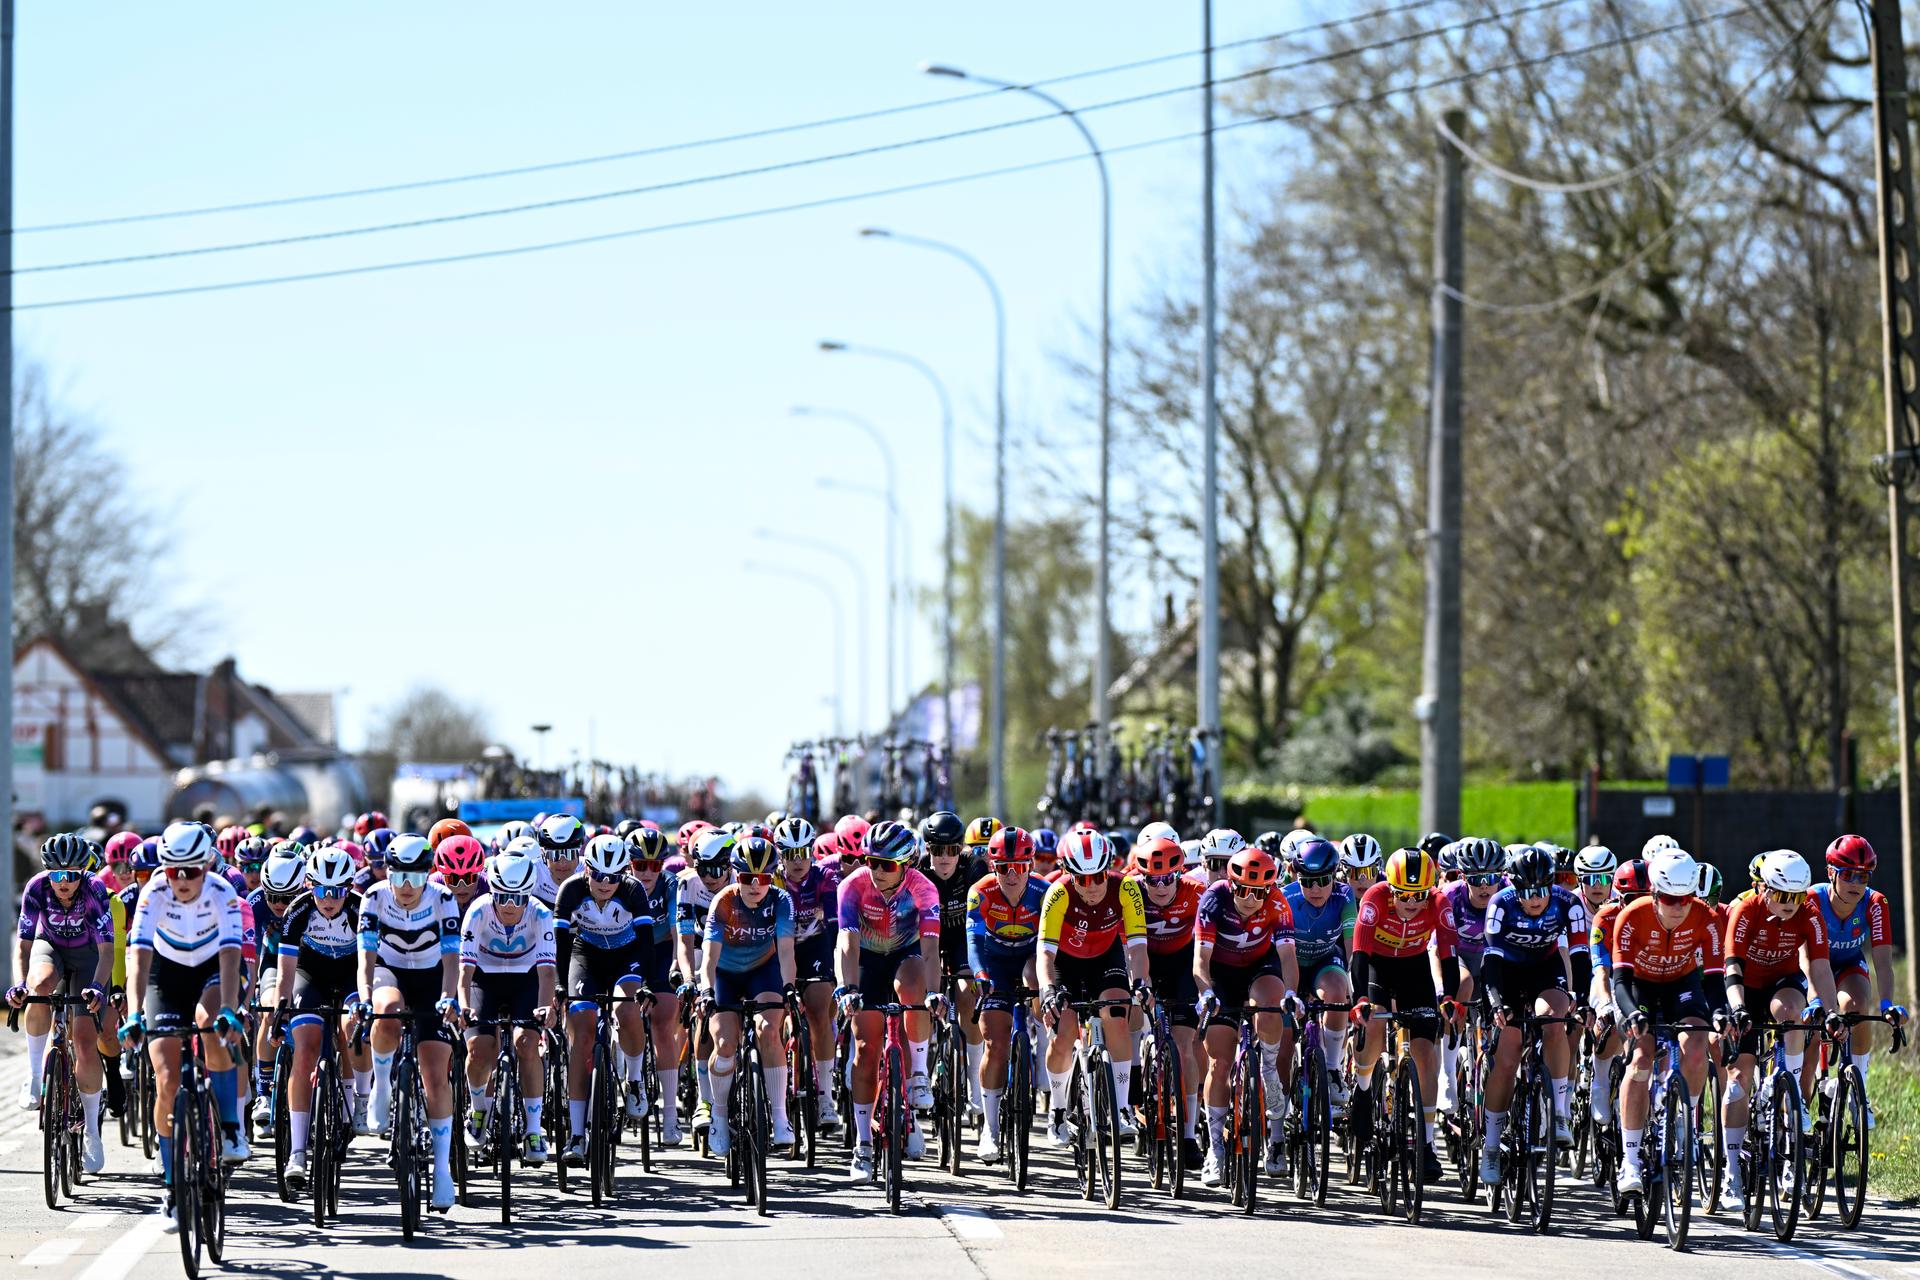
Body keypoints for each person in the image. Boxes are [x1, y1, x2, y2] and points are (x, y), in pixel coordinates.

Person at [123, 821, 248, 1228]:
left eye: (190, 871)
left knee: (211, 1024)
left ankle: (230, 1129)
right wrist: (134, 1014)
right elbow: (138, 956)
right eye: (173, 871)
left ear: (206, 865)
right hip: (166, 974)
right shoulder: (154, 891)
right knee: (166, 1078)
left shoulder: (222, 893)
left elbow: (232, 955)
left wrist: (230, 1007)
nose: (181, 880)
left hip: (214, 969)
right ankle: (173, 1188)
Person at [1722, 849, 1838, 1211]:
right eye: (1784, 896)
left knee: (1792, 1010)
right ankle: (1732, 1171)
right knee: (1739, 1078)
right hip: (1745, 988)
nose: (1791, 904)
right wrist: (1739, 1008)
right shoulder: (1746, 910)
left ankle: (1786, 1088)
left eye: (1798, 896)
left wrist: (1832, 1012)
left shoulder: (1809, 915)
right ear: (1767, 889)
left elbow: (1819, 968)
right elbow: (1732, 966)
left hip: (1783, 982)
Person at [352, 833, 462, 1212]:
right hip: (389, 971)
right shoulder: (375, 896)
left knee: (435, 1076)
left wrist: (450, 998)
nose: (405, 888)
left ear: (428, 875)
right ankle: (381, 1087)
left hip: (433, 978)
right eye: (398, 877)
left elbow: (452, 962)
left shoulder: (443, 899)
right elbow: (365, 959)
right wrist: (365, 998)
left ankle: (444, 1172)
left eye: (414, 879)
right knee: (387, 1012)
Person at [1608, 847, 1722, 1196]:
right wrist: (1631, 1015)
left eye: (1686, 898)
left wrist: (1719, 1012)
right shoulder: (1632, 916)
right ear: (1655, 895)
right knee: (1641, 1058)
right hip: (1638, 986)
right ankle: (1629, 1161)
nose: (1679, 907)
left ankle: (1685, 1125)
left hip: (1681, 985)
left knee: (1697, 1044)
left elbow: (1715, 979)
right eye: (1670, 899)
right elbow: (1621, 981)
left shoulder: (1706, 917)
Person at [834, 819, 943, 1179]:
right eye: (871, 861)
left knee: (914, 989)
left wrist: (933, 994)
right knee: (865, 1049)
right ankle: (863, 1144)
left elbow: (930, 950)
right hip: (864, 959)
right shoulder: (852, 886)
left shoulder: (923, 889)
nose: (877, 871)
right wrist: (849, 990)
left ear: (906, 864)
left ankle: (918, 1076)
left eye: (887, 865)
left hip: (905, 955)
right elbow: (847, 944)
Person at [1349, 846, 1458, 1184]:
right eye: (1404, 896)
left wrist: (1449, 997)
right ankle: (1364, 1089)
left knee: (1425, 1052)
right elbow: (1359, 956)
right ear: (1390, 888)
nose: (1412, 903)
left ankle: (1426, 1142)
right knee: (1376, 1023)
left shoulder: (1440, 905)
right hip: (1377, 968)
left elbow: (1449, 954)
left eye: (1419, 896)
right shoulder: (1374, 898)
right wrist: (1362, 999)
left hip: (1414, 970)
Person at [9, 833, 115, 1172]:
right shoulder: (36, 888)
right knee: (38, 987)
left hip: (88, 957)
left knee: (84, 1041)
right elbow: (23, 947)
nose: (64, 882)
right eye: (57, 875)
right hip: (50, 948)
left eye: (71, 874)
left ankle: (93, 1134)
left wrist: (98, 987)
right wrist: (19, 985)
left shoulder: (95, 889)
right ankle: (36, 1076)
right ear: (47, 874)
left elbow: (106, 951)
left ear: (82, 873)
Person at [1476, 845, 1581, 1187]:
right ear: (1514, 886)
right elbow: (1490, 960)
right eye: (1527, 891)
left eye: (1542, 890)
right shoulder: (1501, 903)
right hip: (1505, 973)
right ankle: (1491, 1147)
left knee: (1555, 1020)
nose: (1535, 899)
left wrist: (1581, 996)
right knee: (1507, 1058)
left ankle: (1560, 1113)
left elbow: (1580, 956)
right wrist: (1494, 1003)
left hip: (1544, 971)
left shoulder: (1568, 903)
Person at [1195, 846, 1301, 1182]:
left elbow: (1287, 958)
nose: (1251, 898)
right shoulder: (1214, 899)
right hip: (1220, 974)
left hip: (1260, 966)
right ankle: (1215, 1148)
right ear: (1231, 883)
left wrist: (1290, 994)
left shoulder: (1278, 903)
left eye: (1259, 891)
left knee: (1272, 1006)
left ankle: (1268, 1066)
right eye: (1243, 890)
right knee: (1219, 1063)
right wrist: (1206, 992)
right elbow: (1200, 958)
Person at [1037, 830, 1148, 1150]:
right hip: (1065, 965)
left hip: (1106, 958)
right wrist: (1047, 991)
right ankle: (1058, 1110)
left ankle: (1123, 1107)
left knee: (1116, 1013)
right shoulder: (1058, 893)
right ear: (1069, 873)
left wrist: (1140, 985)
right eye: (1082, 879)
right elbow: (1044, 954)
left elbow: (1139, 949)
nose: (1093, 885)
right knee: (1063, 1031)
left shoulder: (1126, 887)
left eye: (1099, 875)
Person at [554, 832, 657, 1163]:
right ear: (586, 869)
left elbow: (645, 941)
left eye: (613, 876)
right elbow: (560, 946)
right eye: (598, 875)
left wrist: (645, 983)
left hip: (626, 956)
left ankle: (635, 1079)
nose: (605, 883)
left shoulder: (632, 890)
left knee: (628, 1012)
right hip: (586, 956)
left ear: (623, 873)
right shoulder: (570, 889)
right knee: (581, 1034)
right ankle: (576, 1135)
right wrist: (560, 987)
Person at [698, 836, 797, 1155]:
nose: (756, 885)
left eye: (764, 878)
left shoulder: (781, 901)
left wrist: (790, 989)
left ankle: (780, 1118)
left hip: (762, 971)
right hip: (725, 974)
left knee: (769, 1031)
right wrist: (706, 991)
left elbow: (786, 952)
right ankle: (720, 1115)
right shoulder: (723, 901)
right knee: (725, 1044)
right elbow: (709, 959)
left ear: (773, 876)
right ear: (734, 874)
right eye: (746, 878)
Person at [456, 851, 557, 1166]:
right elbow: (464, 973)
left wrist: (546, 1009)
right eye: (502, 897)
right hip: (484, 980)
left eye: (518, 898)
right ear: (492, 892)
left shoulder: (540, 915)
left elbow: (547, 973)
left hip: (526, 980)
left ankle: (533, 1129)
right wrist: (462, 1006)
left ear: (528, 894)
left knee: (527, 1045)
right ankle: (478, 1111)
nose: (510, 906)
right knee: (479, 1048)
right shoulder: (477, 911)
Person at [275, 845, 364, 1185]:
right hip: (309, 975)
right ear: (309, 885)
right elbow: (285, 971)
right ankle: (298, 1151)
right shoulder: (298, 911)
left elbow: (373, 963)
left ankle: (360, 1100)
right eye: (322, 890)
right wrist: (281, 1005)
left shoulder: (359, 909)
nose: (329, 899)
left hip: (350, 974)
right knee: (306, 1050)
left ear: (349, 888)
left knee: (351, 1026)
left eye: (338, 891)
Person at [967, 825, 1049, 1165]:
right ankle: (990, 1127)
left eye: (1019, 867)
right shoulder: (981, 891)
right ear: (992, 866)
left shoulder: (1044, 892)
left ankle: (1043, 1053)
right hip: (995, 962)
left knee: (1038, 980)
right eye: (1003, 867)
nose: (1011, 875)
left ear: (1030, 865)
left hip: (1031, 957)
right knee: (995, 1044)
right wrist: (980, 975)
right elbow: (972, 942)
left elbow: (1049, 947)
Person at [1813, 834, 1908, 1129]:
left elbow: (1882, 961)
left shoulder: (1875, 903)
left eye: (1864, 876)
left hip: (1848, 964)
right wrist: (1819, 1001)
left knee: (1857, 1005)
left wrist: (1887, 1004)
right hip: (1813, 967)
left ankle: (1859, 1091)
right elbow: (1808, 960)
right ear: (1831, 873)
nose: (1857, 883)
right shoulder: (1811, 899)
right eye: (1849, 874)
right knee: (1813, 1019)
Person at [1279, 835, 1356, 1117]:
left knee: (1338, 990)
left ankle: (1333, 1070)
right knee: (1284, 1045)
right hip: (1290, 963)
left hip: (1324, 958)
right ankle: (1278, 1126)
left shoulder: (1345, 895)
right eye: (1307, 880)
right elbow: (1283, 954)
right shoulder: (1285, 898)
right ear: (1296, 876)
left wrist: (1357, 992)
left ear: (1334, 876)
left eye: (1323, 880)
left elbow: (1351, 948)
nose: (1315, 888)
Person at [919, 810, 988, 1122]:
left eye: (951, 850)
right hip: (929, 935)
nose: (944, 857)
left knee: (965, 992)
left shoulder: (974, 867)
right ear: (927, 850)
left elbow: (978, 923)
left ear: (960, 848)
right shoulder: (919, 869)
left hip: (963, 937)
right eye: (937, 850)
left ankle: (974, 1083)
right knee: (918, 995)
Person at [773, 816, 841, 1133]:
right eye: (789, 854)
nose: (797, 861)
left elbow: (836, 924)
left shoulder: (825, 877)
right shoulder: (771, 881)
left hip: (815, 948)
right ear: (780, 855)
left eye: (802, 853)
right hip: (778, 948)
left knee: (818, 1012)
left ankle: (826, 1097)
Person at [626, 825, 687, 1143]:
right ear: (628, 865)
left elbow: (679, 931)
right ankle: (630, 1077)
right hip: (627, 953)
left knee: (664, 1023)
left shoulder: (671, 885)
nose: (648, 872)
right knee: (621, 1014)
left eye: (655, 865)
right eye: (640, 865)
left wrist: (678, 963)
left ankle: (670, 1116)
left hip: (663, 953)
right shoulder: (617, 885)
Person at [676, 831, 734, 1139]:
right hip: (702, 949)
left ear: (728, 865)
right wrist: (688, 978)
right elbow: (684, 942)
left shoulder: (743, 878)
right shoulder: (687, 884)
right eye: (703, 868)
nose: (709, 877)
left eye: (716, 869)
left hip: (739, 951)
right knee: (703, 1016)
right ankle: (705, 1100)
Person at [245, 850, 306, 1132]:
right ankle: (264, 1092)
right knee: (270, 1011)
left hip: (308, 964)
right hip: (272, 961)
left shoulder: (311, 901)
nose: (279, 904)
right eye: (273, 897)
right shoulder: (255, 903)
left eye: (286, 898)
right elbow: (250, 953)